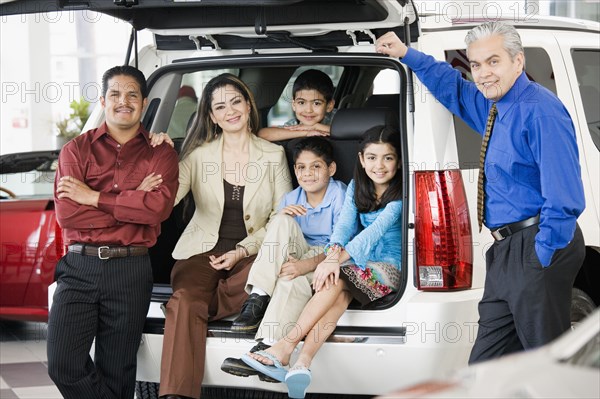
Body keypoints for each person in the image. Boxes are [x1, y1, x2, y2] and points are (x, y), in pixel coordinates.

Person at [375, 21, 585, 363]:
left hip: (536, 247)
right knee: (484, 368)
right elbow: (453, 89)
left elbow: (565, 197)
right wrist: (406, 54)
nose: (483, 73)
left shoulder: (541, 111)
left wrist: (541, 255)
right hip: (504, 252)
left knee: (546, 366)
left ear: (518, 62)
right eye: (475, 64)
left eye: (493, 61)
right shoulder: (494, 107)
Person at [241, 126, 403, 398]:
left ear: (398, 161)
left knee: (338, 277)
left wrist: (334, 261)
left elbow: (369, 236)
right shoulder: (356, 187)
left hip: (388, 267)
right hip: (357, 264)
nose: (379, 165)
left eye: (388, 158)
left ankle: (284, 347)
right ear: (361, 160)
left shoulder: (399, 196)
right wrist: (331, 257)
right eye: (372, 157)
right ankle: (301, 364)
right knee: (337, 295)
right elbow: (343, 227)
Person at [48, 65, 180, 399]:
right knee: (63, 364)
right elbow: (68, 215)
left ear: (145, 103)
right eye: (116, 94)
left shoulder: (160, 152)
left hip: (131, 269)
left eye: (132, 94)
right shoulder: (76, 151)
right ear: (104, 100)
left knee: (118, 370)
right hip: (80, 267)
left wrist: (94, 197)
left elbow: (159, 209)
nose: (124, 101)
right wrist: (135, 202)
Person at [158, 73, 292, 399]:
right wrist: (156, 155)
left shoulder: (273, 155)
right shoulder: (198, 156)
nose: (230, 110)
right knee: (185, 299)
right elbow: (166, 198)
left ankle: (210, 302)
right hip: (202, 250)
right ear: (212, 116)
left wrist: (243, 250)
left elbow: (282, 218)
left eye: (236, 101)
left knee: (275, 273)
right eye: (220, 106)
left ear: (248, 105)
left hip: (254, 253)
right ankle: (176, 395)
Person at [221, 136, 347, 378]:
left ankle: (268, 345)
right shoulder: (292, 198)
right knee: (280, 219)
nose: (307, 174)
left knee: (291, 279)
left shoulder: (339, 195)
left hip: (326, 258)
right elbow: (272, 236)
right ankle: (258, 296)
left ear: (331, 168)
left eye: (316, 166)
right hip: (296, 251)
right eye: (301, 167)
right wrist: (241, 250)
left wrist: (303, 266)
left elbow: (341, 245)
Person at [258, 69, 336, 142]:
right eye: (301, 103)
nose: (308, 110)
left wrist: (316, 127)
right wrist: (306, 132)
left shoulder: (337, 118)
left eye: (316, 103)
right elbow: (262, 134)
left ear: (329, 106)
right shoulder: (294, 125)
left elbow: (347, 129)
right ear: (293, 104)